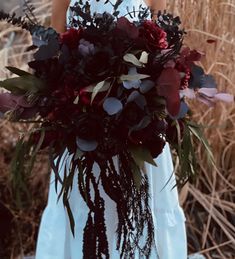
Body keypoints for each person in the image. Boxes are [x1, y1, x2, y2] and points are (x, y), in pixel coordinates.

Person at [36, 0, 187, 258]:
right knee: (85, 209)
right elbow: (52, 53)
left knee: (141, 211)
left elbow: (164, 52)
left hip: (139, 129)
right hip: (83, 128)